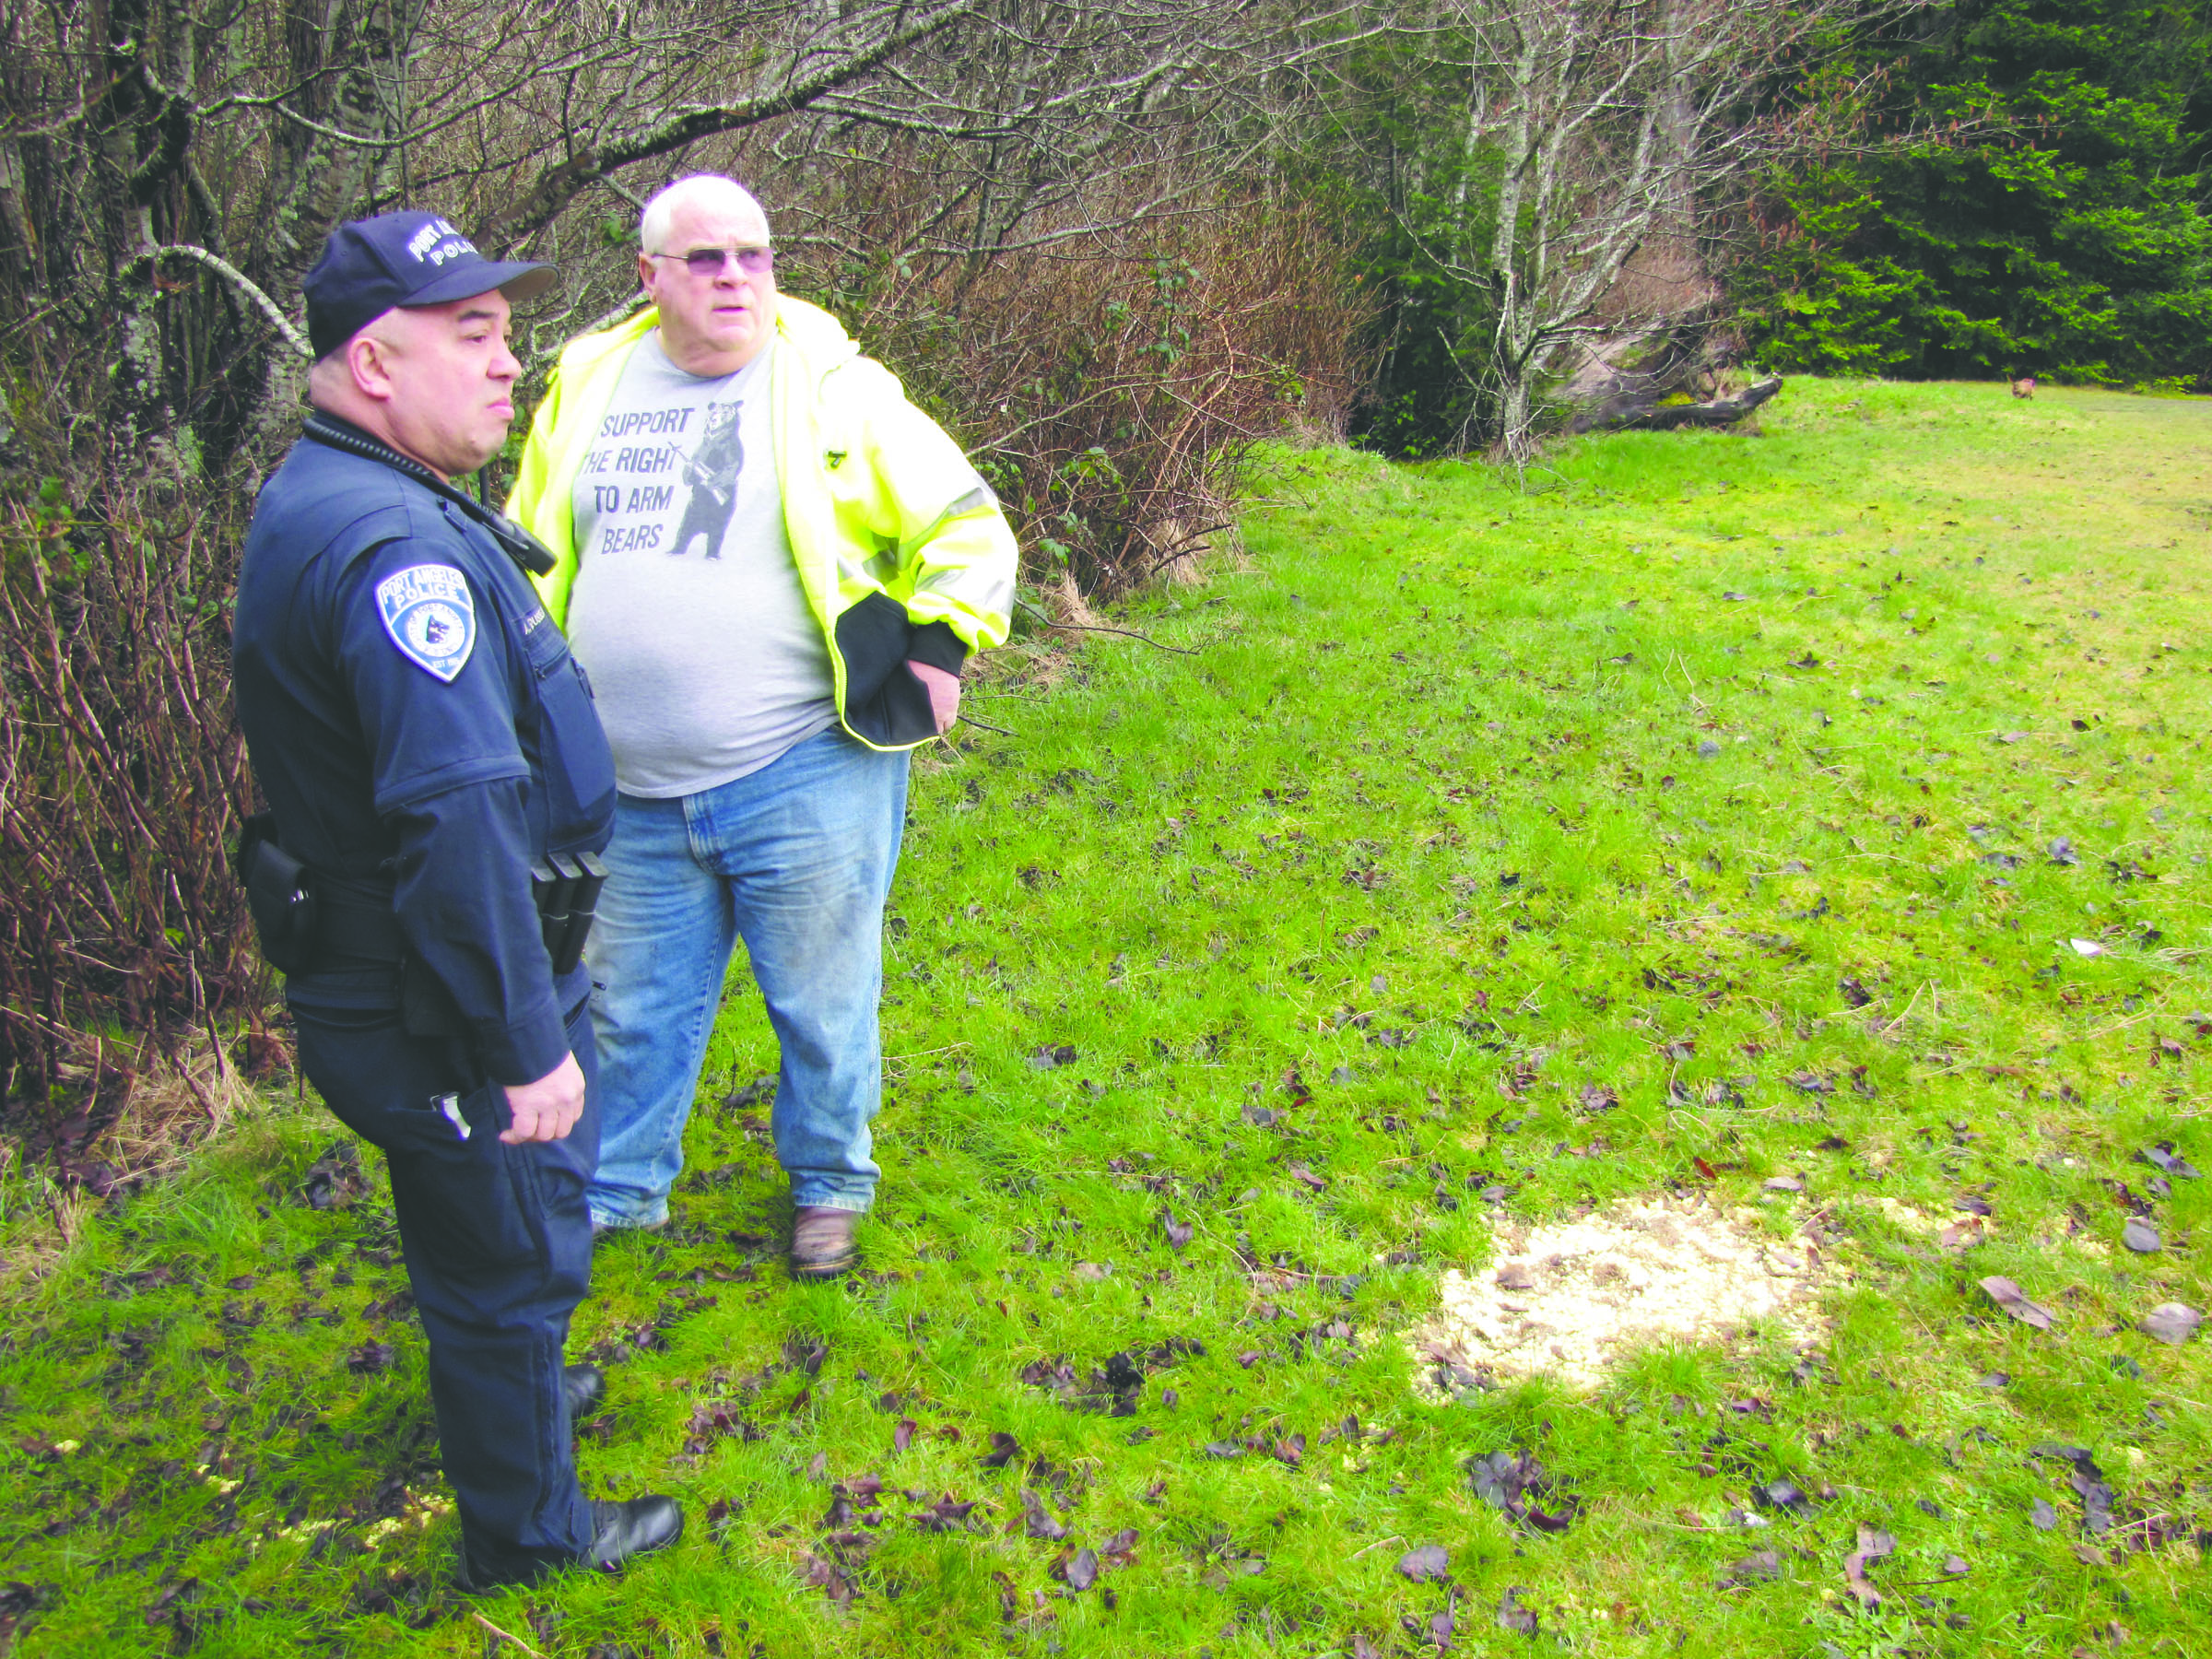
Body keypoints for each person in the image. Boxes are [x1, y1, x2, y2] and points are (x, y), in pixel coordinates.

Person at [230, 210, 683, 1588]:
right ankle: (529, 1537)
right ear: (376, 360)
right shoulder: (392, 551)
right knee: (506, 1252)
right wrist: (521, 1043)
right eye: (474, 336)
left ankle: (516, 1408)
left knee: (491, 1237)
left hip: (422, 974)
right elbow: (453, 819)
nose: (510, 365)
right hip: (446, 996)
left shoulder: (354, 486)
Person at [508, 174, 1017, 1277]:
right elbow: (531, 553)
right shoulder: (586, 386)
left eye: (754, 254)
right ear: (649, 276)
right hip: (623, 782)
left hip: (803, 765)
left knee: (823, 1001)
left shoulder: (834, 387)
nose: (736, 275)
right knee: (629, 1007)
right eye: (705, 259)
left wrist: (940, 648)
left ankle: (830, 1183)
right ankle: (621, 1187)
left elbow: (967, 523)